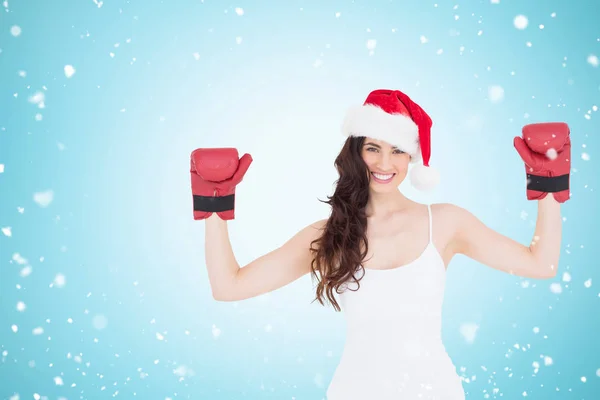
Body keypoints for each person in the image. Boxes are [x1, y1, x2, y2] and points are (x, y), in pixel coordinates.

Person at [189, 89, 570, 399]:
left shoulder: (445, 222)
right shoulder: (329, 235)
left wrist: (549, 188)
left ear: (412, 158)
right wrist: (215, 205)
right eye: (373, 147)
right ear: (356, 151)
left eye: (398, 150)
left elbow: (541, 265)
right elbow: (228, 286)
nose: (384, 162)